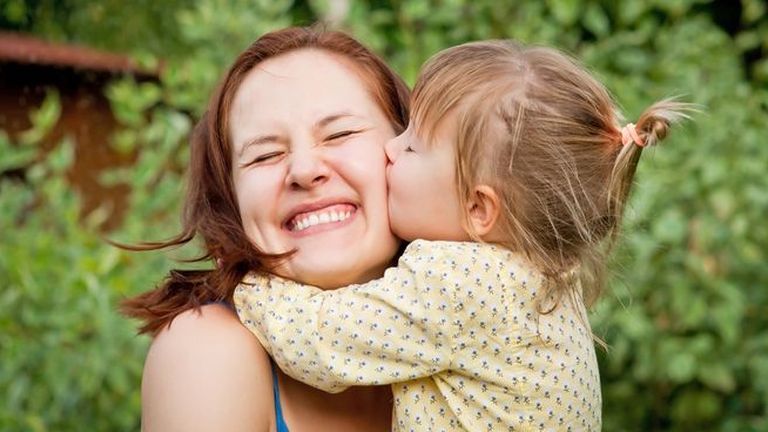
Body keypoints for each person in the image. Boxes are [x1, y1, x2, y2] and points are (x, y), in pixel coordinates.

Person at [235, 40, 692, 431]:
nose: (390, 150)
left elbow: (317, 342)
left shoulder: (459, 282)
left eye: (412, 145)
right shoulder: (546, 275)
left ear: (478, 208)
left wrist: (249, 280)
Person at [121, 26, 410, 431]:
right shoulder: (206, 351)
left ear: (411, 151)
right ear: (230, 203)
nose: (305, 171)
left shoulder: (495, 314)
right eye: (265, 155)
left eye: (340, 133)